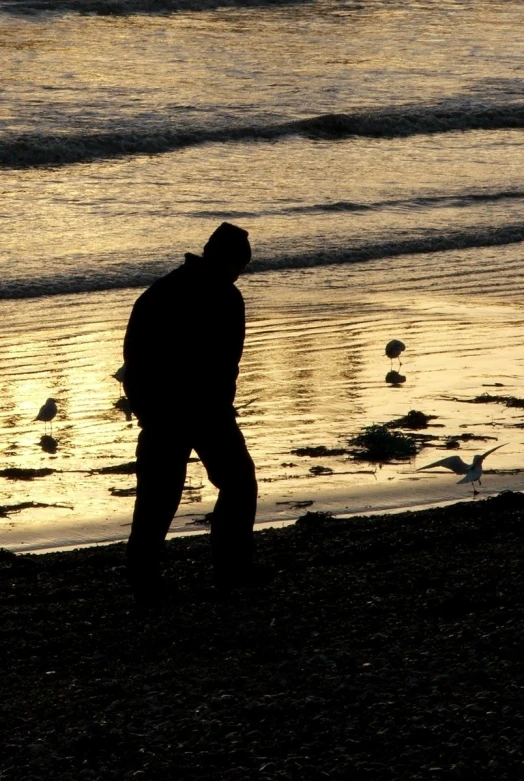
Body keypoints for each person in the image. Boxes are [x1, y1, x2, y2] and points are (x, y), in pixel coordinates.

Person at [123, 223, 259, 604]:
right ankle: (229, 570)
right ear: (225, 260)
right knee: (232, 484)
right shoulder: (220, 297)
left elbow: (133, 361)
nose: (237, 274)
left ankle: (145, 577)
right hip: (193, 411)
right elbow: (224, 363)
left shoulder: (161, 293)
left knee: (159, 496)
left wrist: (146, 409)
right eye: (237, 266)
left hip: (178, 411)